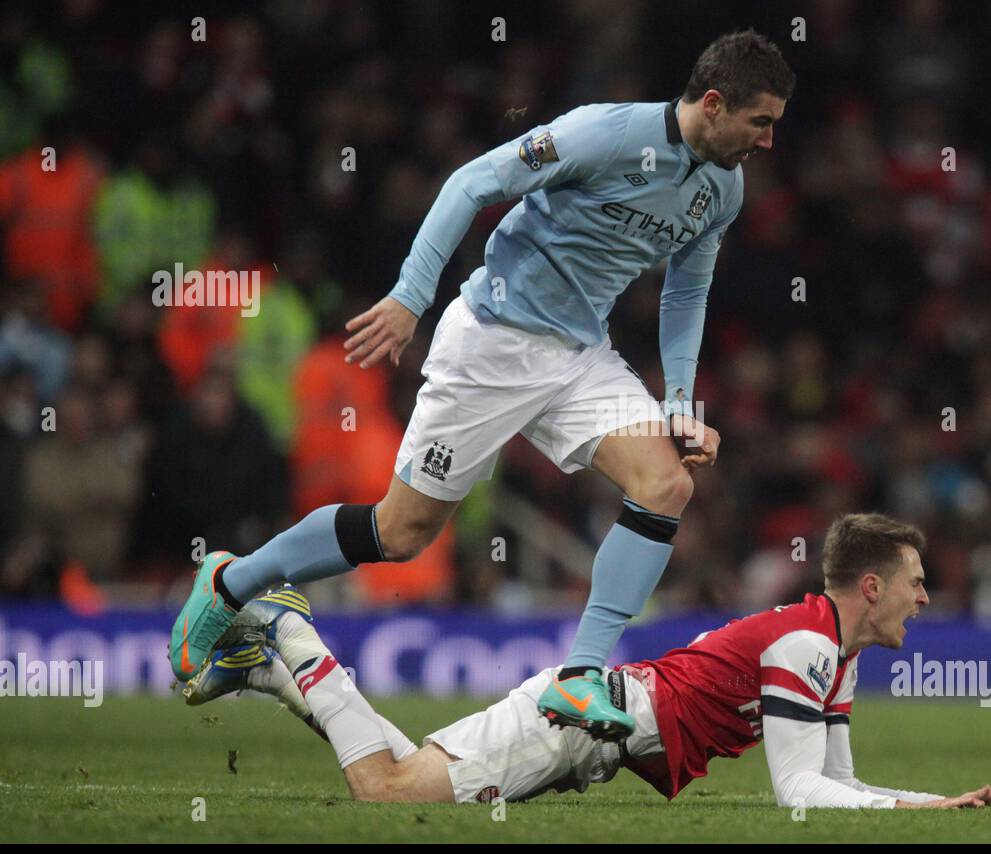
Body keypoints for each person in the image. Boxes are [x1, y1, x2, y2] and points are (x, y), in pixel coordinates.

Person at [169, 29, 797, 739]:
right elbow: (471, 182)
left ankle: (581, 675)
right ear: (713, 104)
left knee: (667, 483)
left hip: (580, 355)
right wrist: (411, 295)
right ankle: (230, 582)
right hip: (492, 341)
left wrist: (680, 402)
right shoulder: (601, 133)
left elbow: (687, 288)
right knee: (400, 533)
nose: (768, 142)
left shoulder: (724, 187)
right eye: (761, 122)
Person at [187, 514, 991, 810]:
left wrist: (943, 803)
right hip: (577, 723)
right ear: (874, 583)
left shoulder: (833, 656)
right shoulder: (808, 645)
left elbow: (840, 786)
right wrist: (935, 807)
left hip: (594, 738)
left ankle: (271, 669)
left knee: (402, 773)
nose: (925, 599)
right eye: (917, 584)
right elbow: (799, 793)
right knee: (386, 792)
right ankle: (294, 639)